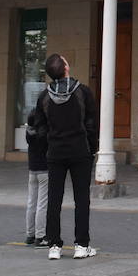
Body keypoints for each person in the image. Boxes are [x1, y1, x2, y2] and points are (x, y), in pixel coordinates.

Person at [37, 53, 99, 261]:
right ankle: (82, 245)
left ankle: (54, 245)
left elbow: (40, 127)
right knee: (82, 199)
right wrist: (92, 148)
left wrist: (50, 144)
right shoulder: (82, 92)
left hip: (55, 153)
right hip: (80, 151)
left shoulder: (44, 97)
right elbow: (91, 123)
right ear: (66, 67)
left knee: (54, 199)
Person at [23, 91, 50, 246]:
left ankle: (29, 234)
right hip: (44, 170)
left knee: (31, 202)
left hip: (32, 170)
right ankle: (40, 235)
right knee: (42, 204)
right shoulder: (44, 135)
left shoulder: (29, 134)